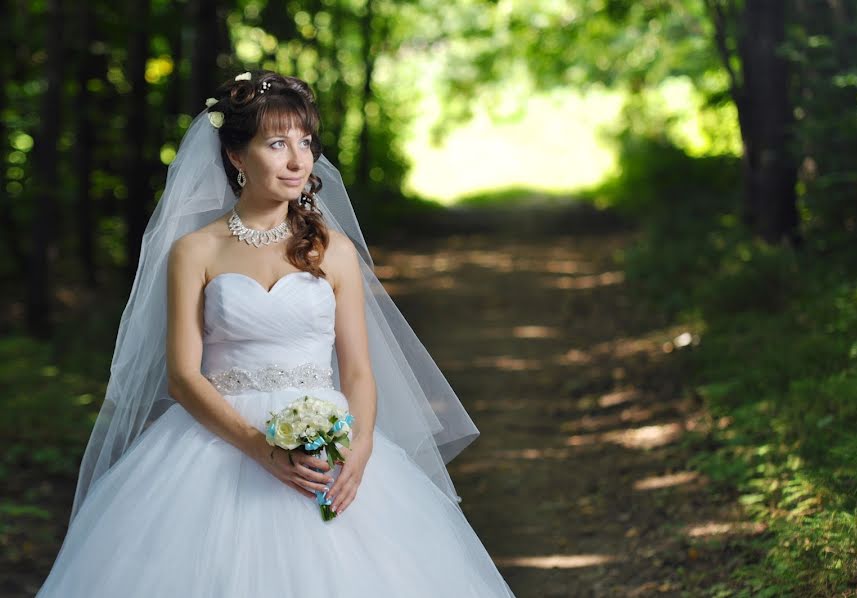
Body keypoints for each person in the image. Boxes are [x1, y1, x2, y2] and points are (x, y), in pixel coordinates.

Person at [35, 70, 516, 597]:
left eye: (305, 143)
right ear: (238, 157)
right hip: (214, 444)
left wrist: (357, 453)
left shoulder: (331, 250)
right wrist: (260, 447)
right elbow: (181, 376)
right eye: (277, 143)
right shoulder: (195, 251)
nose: (297, 160)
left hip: (324, 444)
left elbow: (357, 369)